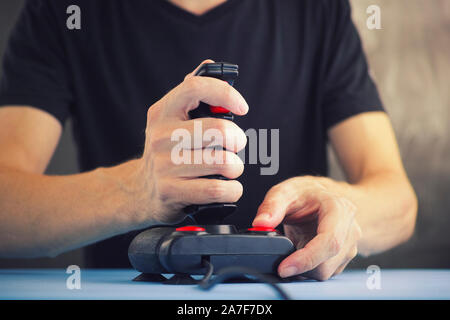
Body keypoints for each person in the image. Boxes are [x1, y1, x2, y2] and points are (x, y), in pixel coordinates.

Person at [0, 0, 417, 280]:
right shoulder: (64, 10)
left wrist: (335, 206)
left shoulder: (315, 10)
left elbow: (398, 203)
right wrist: (136, 189)